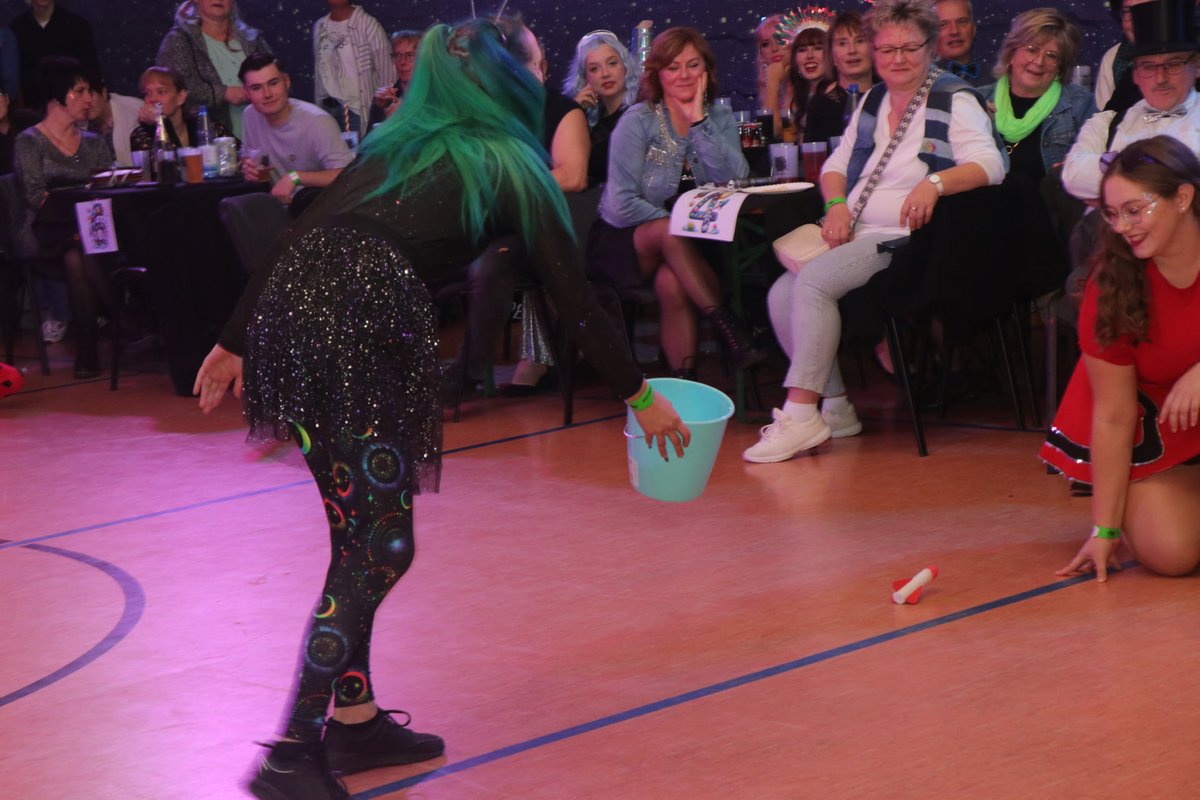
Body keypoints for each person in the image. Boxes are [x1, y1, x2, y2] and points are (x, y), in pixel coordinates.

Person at [192, 16, 687, 800]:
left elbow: (297, 238)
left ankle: (354, 723)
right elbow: (575, 302)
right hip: (359, 323)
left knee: (356, 536)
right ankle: (291, 752)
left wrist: (233, 340)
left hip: (295, 315)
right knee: (380, 548)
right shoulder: (513, 165)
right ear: (508, 82)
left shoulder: (394, 144)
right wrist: (641, 395)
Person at [744, 0, 1005, 463]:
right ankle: (836, 407)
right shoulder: (873, 99)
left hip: (912, 241)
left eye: (909, 48)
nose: (897, 58)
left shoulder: (954, 97)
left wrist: (934, 183)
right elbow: (835, 167)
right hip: (858, 230)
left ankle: (800, 415)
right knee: (782, 293)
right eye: (887, 49)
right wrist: (836, 205)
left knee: (814, 280)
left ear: (930, 48)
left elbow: (991, 165)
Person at [1042, 136, 1200, 583]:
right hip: (1153, 425)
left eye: (1135, 210)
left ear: (1183, 198)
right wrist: (1105, 529)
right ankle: (1154, 495)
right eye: (1112, 214)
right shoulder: (1111, 284)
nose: (1123, 226)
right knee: (1172, 554)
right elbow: (1113, 416)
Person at [592, 27, 762, 378]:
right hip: (627, 240)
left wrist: (699, 122)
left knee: (672, 281)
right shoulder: (637, 121)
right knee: (668, 231)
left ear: (706, 70)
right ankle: (730, 327)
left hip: (696, 244)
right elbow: (621, 204)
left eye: (693, 65)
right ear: (658, 73)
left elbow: (735, 180)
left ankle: (683, 384)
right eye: (673, 67)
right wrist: (680, 225)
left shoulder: (718, 117)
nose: (684, 74)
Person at [11, 56, 114, 378]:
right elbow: (35, 195)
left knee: (78, 253)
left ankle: (88, 346)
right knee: (75, 249)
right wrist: (75, 221)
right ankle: (117, 316)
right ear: (57, 97)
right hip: (46, 230)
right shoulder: (29, 141)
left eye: (90, 91)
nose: (89, 99)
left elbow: (110, 188)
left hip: (93, 228)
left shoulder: (95, 142)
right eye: (79, 91)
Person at [1062, 0, 1200, 205]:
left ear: (1197, 67)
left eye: (1173, 64)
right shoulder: (1106, 123)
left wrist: (1112, 184)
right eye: (1148, 67)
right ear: (1134, 74)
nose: (1160, 78)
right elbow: (1073, 176)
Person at [978, 9, 1094, 188]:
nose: (1039, 62)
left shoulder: (1080, 104)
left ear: (1060, 66)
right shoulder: (978, 100)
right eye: (1032, 50)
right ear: (1011, 54)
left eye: (1051, 55)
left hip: (1049, 204)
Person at [238, 54, 353, 206]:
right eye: (256, 88)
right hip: (277, 206)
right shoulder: (250, 115)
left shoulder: (317, 121)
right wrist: (248, 167)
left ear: (286, 82)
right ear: (247, 93)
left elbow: (346, 176)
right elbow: (247, 157)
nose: (267, 94)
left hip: (317, 207)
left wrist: (296, 178)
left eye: (273, 83)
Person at [156, 0, 272, 140]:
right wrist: (222, 93)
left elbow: (275, 78)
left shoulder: (251, 38)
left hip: (263, 135)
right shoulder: (178, 40)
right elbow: (173, 90)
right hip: (209, 140)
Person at [563, 29, 639, 187]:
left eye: (612, 63)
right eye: (594, 69)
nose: (605, 74)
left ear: (625, 66)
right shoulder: (588, 122)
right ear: (585, 79)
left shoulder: (642, 112)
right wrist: (574, 111)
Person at [312, 0, 395, 139]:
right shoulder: (320, 26)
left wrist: (383, 110)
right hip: (327, 110)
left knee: (356, 152)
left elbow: (387, 73)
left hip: (356, 111)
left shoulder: (368, 25)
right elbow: (321, 73)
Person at [804, 10, 878, 145]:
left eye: (860, 41)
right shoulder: (822, 107)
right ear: (831, 55)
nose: (852, 50)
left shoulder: (889, 97)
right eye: (842, 43)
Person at [10, 0, 100, 110]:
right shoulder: (17, 28)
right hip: (33, 110)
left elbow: (91, 71)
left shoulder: (77, 25)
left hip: (72, 109)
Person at [129, 65, 230, 153]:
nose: (152, 99)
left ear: (181, 97)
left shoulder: (205, 125)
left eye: (161, 92)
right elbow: (171, 164)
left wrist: (161, 122)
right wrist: (161, 123)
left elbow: (235, 157)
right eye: (147, 93)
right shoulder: (141, 135)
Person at [777, 9, 836, 143]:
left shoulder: (836, 95)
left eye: (818, 48)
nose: (809, 56)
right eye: (802, 50)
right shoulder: (800, 98)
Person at [83, 74, 142, 167]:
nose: (86, 101)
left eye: (90, 94)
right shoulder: (79, 121)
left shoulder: (134, 110)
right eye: (80, 96)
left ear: (104, 93)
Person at [368, 30, 420, 127]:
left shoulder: (436, 96)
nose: (402, 62)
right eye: (397, 55)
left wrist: (406, 117)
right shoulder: (385, 99)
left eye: (409, 55)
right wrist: (379, 109)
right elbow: (372, 136)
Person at [932, 0, 987, 87]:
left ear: (973, 29)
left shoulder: (996, 79)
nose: (954, 31)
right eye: (943, 25)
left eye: (962, 22)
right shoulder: (922, 81)